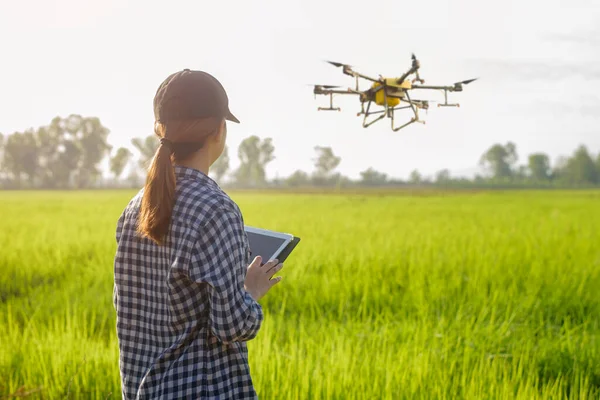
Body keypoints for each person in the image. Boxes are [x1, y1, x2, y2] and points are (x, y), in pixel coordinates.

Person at [113, 69, 283, 399]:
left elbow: (129, 309)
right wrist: (251, 289)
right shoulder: (216, 209)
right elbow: (232, 326)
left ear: (161, 129)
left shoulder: (135, 207)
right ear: (218, 130)